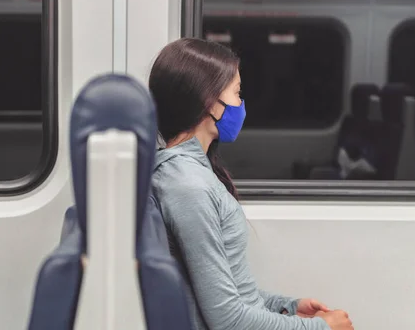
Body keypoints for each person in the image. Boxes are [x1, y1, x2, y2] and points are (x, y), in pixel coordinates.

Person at [148, 38, 354, 330]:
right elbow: (227, 319)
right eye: (236, 93)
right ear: (210, 103)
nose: (240, 105)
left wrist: (286, 306)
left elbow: (230, 289)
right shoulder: (188, 186)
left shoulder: (192, 172)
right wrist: (322, 328)